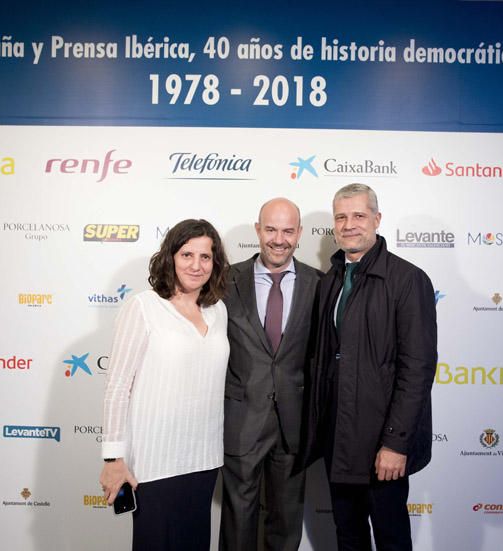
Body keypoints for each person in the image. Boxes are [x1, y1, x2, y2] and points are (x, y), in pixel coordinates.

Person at [305, 183, 437, 550]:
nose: (349, 225)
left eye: (359, 216)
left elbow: (418, 368)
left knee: (391, 538)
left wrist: (395, 443)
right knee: (348, 536)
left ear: (377, 219)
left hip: (383, 444)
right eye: (341, 217)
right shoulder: (330, 279)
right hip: (339, 440)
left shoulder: (408, 279)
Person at [99, 219, 230, 551]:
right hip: (153, 464)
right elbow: (117, 386)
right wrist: (113, 459)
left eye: (205, 256)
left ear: (215, 263)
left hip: (203, 460)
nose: (196, 265)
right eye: (187, 254)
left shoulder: (218, 311)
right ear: (170, 256)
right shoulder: (144, 307)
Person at [221, 198, 321, 551]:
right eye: (271, 229)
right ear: (258, 230)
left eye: (288, 231)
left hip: (294, 424)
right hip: (241, 419)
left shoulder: (319, 284)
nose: (279, 239)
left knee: (286, 523)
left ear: (300, 235)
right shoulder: (224, 281)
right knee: (237, 523)